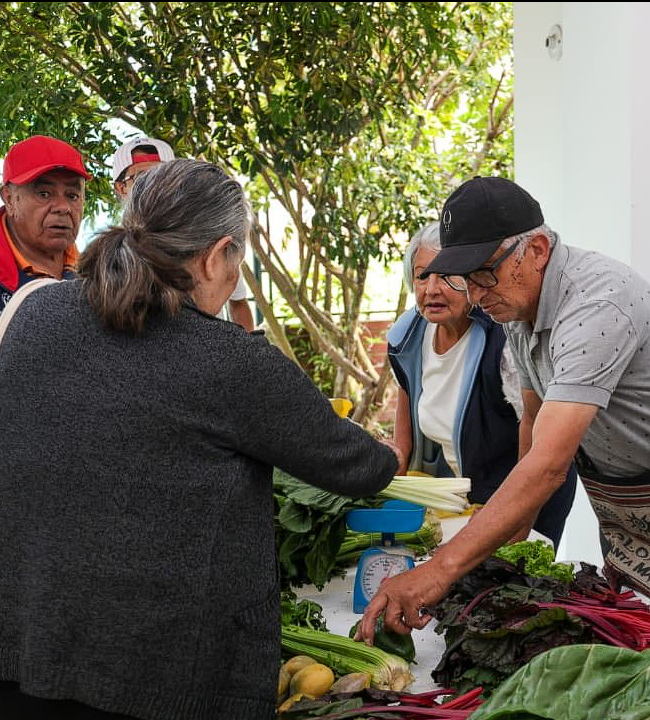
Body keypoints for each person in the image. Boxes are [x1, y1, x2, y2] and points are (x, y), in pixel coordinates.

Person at [0, 159, 399, 720]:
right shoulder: (230, 361)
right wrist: (394, 450)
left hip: (26, 654)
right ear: (217, 256)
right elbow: (360, 467)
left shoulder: (32, 312)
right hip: (160, 684)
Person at [359, 176, 650, 641]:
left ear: (536, 249)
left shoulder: (596, 306)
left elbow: (546, 466)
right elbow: (534, 424)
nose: (475, 296)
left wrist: (439, 571)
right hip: (622, 492)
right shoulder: (518, 309)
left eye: (484, 273)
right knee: (641, 634)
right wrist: (507, 549)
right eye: (466, 278)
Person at [388, 222, 576, 548]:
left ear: (473, 279)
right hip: (462, 507)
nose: (432, 288)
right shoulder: (407, 337)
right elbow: (403, 444)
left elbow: (536, 436)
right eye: (422, 276)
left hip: (526, 493)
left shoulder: (503, 340)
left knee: (517, 586)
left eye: (447, 276)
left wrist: (508, 525)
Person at [112, 136, 256, 331]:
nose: (152, 185)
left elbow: (238, 302)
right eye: (141, 177)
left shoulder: (209, 236)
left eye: (161, 175)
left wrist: (242, 352)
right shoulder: (113, 257)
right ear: (121, 188)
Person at [1, 135, 89, 312]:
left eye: (72, 196)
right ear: (9, 200)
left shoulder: (98, 276)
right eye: (44, 194)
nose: (63, 208)